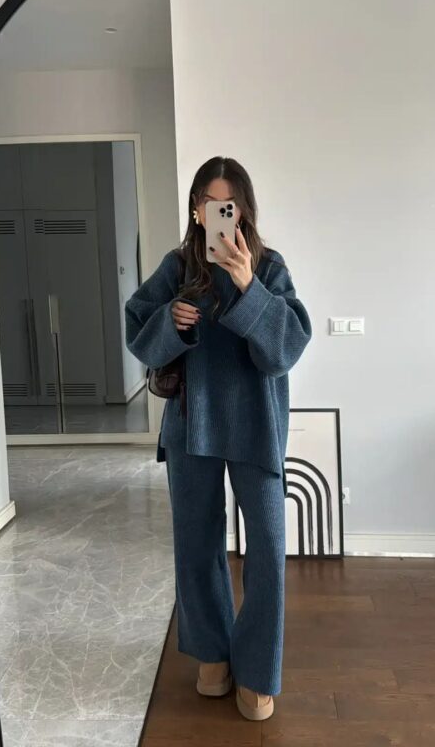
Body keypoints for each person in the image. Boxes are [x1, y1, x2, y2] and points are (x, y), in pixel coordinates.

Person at [125, 156, 312, 721]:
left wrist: (249, 286)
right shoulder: (177, 265)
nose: (219, 213)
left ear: (244, 209)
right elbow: (138, 329)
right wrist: (171, 321)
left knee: (268, 550)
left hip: (256, 424)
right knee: (197, 543)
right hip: (192, 423)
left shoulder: (269, 267)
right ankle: (212, 653)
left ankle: (256, 671)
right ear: (196, 209)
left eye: (229, 204)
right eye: (210, 202)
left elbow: (286, 349)